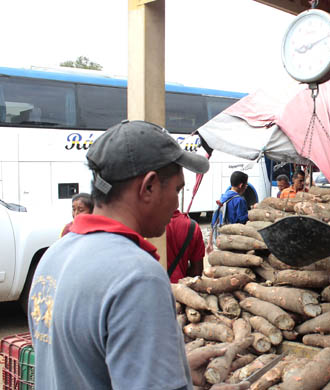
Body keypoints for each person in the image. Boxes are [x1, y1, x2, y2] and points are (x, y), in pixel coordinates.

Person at [27, 120, 240, 390]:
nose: (177, 202)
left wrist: (176, 369)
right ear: (149, 186)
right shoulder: (138, 276)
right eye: (177, 189)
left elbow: (83, 365)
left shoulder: (54, 255)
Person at [166, 209, 205, 283]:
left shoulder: (144, 225)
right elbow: (197, 272)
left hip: (151, 290)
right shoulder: (192, 227)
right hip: (181, 290)